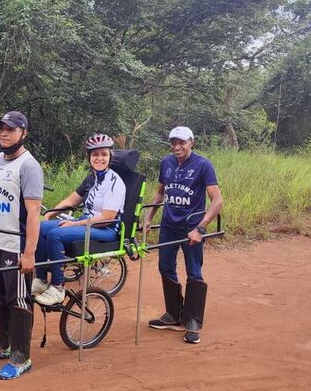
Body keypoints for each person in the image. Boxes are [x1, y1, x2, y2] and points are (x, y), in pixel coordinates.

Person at [0, 111, 43, 380]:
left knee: (18, 299)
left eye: (10, 129)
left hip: (15, 244)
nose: (4, 133)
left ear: (22, 133)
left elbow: (34, 211)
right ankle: (1, 344)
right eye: (1, 129)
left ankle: (21, 356)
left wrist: (29, 253)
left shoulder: (28, 166)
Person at [143, 126, 224, 344]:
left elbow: (217, 201)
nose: (177, 146)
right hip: (169, 225)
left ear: (191, 142)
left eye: (182, 142)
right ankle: (173, 315)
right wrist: (149, 217)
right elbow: (160, 192)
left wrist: (200, 228)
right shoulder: (166, 163)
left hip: (191, 227)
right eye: (173, 142)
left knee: (194, 272)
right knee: (165, 267)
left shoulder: (203, 165)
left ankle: (193, 321)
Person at [33, 134, 126, 306]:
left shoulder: (115, 182)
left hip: (106, 229)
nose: (99, 158)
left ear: (110, 156)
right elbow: (71, 200)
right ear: (89, 157)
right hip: (87, 223)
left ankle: (58, 287)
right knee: (40, 228)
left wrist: (75, 224)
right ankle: (40, 279)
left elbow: (107, 218)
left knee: (56, 235)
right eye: (95, 155)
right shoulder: (91, 178)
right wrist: (48, 215)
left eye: (104, 154)